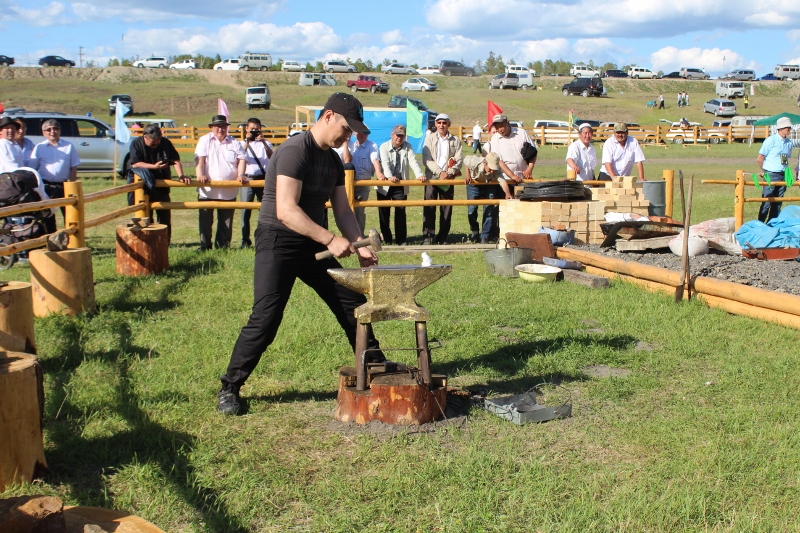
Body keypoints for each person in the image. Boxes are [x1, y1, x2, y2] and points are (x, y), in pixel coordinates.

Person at [217, 92, 383, 415]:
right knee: (266, 317)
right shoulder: (295, 151)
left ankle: (374, 367)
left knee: (351, 303)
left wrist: (358, 243)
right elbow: (286, 211)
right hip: (277, 241)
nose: (348, 135)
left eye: (352, 132)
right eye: (346, 129)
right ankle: (230, 387)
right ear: (328, 116)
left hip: (312, 243)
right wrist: (331, 239)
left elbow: (343, 210)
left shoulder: (333, 161)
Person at [128, 123, 189, 242]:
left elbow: (175, 160)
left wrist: (181, 175)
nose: (156, 143)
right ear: (145, 137)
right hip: (144, 187)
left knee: (165, 217)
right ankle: (147, 242)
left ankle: (165, 243)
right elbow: (135, 163)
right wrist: (153, 167)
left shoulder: (165, 143)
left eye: (158, 140)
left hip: (162, 186)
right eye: (153, 141)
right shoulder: (136, 143)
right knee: (145, 216)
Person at [194, 115, 246, 251]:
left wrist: (241, 175)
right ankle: (205, 245)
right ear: (212, 128)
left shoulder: (234, 142)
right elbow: (200, 160)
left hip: (228, 190)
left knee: (226, 220)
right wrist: (200, 174)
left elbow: (242, 159)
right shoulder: (204, 140)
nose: (220, 129)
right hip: (208, 189)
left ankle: (223, 246)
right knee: (205, 219)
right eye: (217, 126)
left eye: (223, 126)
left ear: (227, 128)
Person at [377, 124, 424, 245]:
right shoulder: (383, 146)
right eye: (397, 135)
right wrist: (389, 177)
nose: (399, 138)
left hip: (400, 184)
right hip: (385, 185)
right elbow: (385, 164)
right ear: (392, 135)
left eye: (402, 136)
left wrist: (419, 175)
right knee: (384, 213)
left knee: (400, 212)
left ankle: (401, 239)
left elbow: (413, 162)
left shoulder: (408, 147)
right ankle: (387, 239)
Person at [28, 118, 80, 222]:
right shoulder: (39, 147)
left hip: (63, 186)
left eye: (55, 128)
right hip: (46, 186)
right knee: (48, 215)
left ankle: (71, 235)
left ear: (60, 130)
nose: (52, 132)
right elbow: (32, 168)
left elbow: (73, 167)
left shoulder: (68, 146)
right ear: (44, 133)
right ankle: (51, 235)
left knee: (69, 213)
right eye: (49, 129)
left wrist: (72, 185)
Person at [422, 113, 462, 245]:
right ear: (435, 124)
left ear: (448, 124)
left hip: (448, 178)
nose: (441, 125)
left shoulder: (456, 140)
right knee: (429, 207)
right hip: (432, 177)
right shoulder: (430, 139)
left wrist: (449, 172)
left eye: (444, 123)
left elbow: (459, 159)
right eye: (439, 122)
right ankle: (428, 236)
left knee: (446, 209)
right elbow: (426, 158)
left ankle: (443, 237)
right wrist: (440, 172)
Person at [337, 125, 382, 236]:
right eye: (359, 133)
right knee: (346, 209)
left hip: (363, 183)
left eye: (364, 133)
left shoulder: (372, 146)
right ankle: (347, 235)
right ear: (354, 134)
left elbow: (374, 159)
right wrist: (346, 143)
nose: (362, 135)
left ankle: (359, 235)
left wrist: (379, 173)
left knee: (359, 210)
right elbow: (346, 160)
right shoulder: (350, 146)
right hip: (348, 183)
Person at [239, 117, 274, 248]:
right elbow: (239, 157)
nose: (254, 131)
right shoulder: (241, 143)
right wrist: (247, 141)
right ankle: (245, 240)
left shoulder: (266, 143)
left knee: (265, 211)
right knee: (245, 211)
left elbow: (272, 156)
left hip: (263, 179)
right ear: (246, 129)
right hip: (247, 180)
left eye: (257, 129)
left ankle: (264, 238)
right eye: (252, 129)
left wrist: (263, 142)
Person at [756, 116, 794, 222]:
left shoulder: (789, 143)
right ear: (781, 128)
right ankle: (760, 223)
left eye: (789, 128)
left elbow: (786, 158)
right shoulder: (770, 140)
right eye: (787, 127)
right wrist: (765, 172)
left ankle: (772, 223)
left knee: (778, 203)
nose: (789, 130)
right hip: (771, 174)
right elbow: (760, 158)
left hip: (783, 174)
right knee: (767, 201)